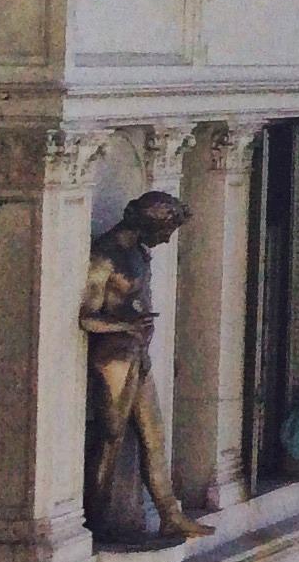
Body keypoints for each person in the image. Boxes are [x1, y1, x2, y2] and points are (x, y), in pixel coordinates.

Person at [82, 191, 206, 543]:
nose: (167, 240)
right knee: (111, 437)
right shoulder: (105, 257)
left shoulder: (138, 253)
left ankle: (170, 514)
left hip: (137, 352)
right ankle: (94, 518)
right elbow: (88, 318)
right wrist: (126, 325)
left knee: (153, 435)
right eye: (165, 231)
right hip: (113, 359)